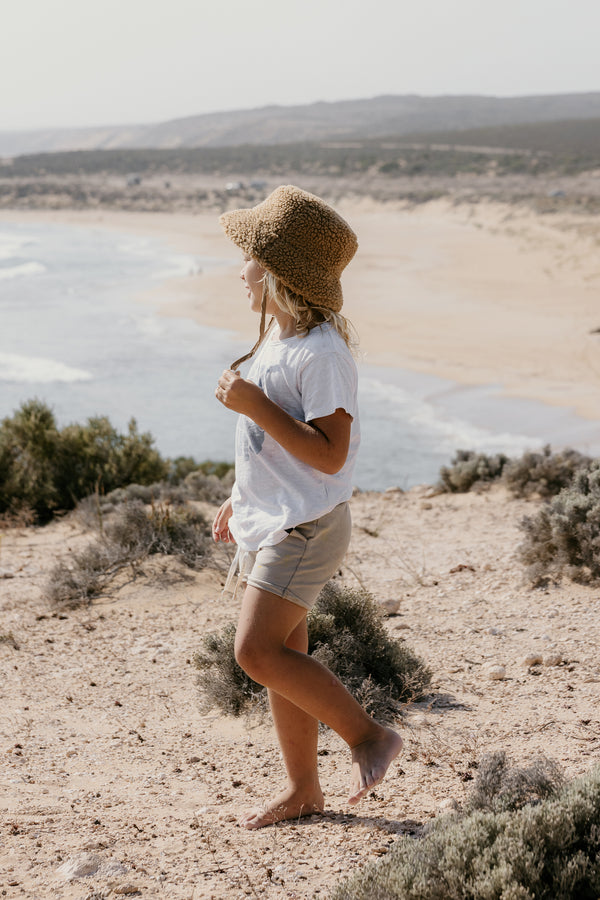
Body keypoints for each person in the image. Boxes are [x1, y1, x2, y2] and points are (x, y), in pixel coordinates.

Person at [213, 185, 402, 829]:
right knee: (282, 654)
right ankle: (304, 789)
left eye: (250, 259)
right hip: (276, 522)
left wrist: (253, 404)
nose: (241, 271)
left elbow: (328, 455)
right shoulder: (278, 340)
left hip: (307, 528)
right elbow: (270, 451)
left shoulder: (322, 355)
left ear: (277, 274)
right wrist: (238, 501)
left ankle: (368, 736)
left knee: (254, 652)